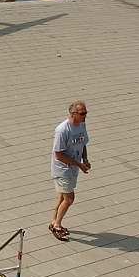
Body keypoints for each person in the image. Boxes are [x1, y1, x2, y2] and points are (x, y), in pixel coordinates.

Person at [49, 101, 90, 241]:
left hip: (73, 168)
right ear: (73, 114)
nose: (85, 116)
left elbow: (83, 143)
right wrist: (79, 164)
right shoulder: (62, 130)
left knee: (62, 196)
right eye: (82, 113)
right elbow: (59, 154)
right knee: (70, 198)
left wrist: (85, 159)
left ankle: (53, 221)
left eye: (86, 113)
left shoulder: (82, 125)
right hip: (62, 169)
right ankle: (57, 226)